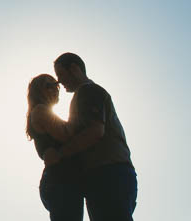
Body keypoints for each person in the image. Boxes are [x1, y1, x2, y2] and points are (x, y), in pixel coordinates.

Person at [44, 53, 137, 221]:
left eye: (60, 75)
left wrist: (59, 154)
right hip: (108, 176)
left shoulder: (88, 91)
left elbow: (95, 132)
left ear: (74, 68)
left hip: (108, 175)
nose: (59, 81)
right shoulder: (84, 94)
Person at [26, 74, 83, 221]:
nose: (55, 89)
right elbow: (66, 134)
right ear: (38, 91)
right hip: (59, 181)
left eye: (56, 85)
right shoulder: (40, 110)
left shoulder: (46, 112)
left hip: (64, 180)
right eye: (49, 86)